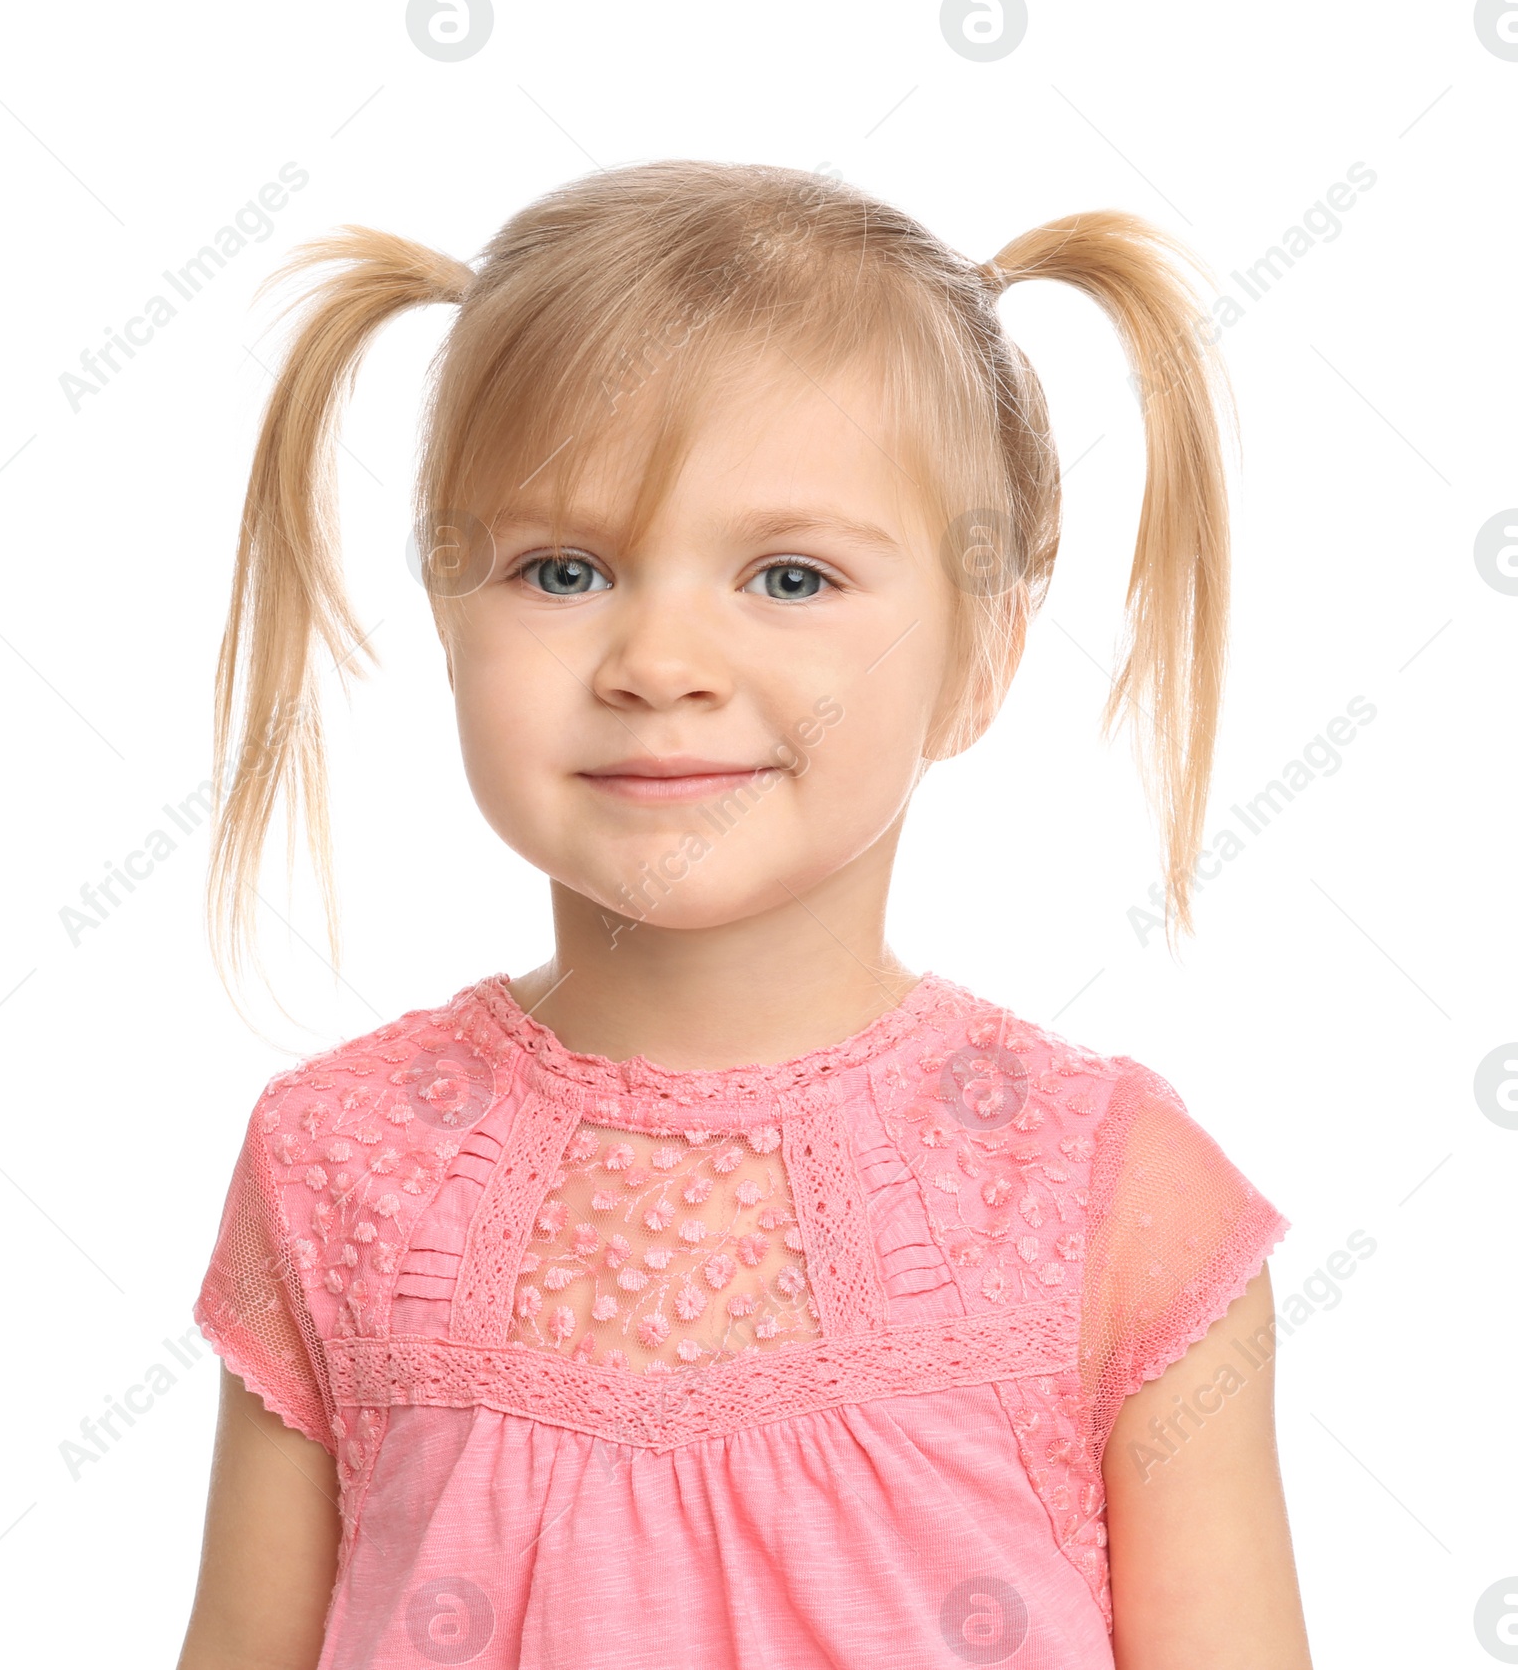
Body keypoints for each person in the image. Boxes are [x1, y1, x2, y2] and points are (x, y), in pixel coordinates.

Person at [178, 159, 1310, 1669]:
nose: (660, 659)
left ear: (981, 656)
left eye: (788, 575)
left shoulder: (1114, 1195)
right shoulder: (335, 1164)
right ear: (447, 623)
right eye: (562, 568)